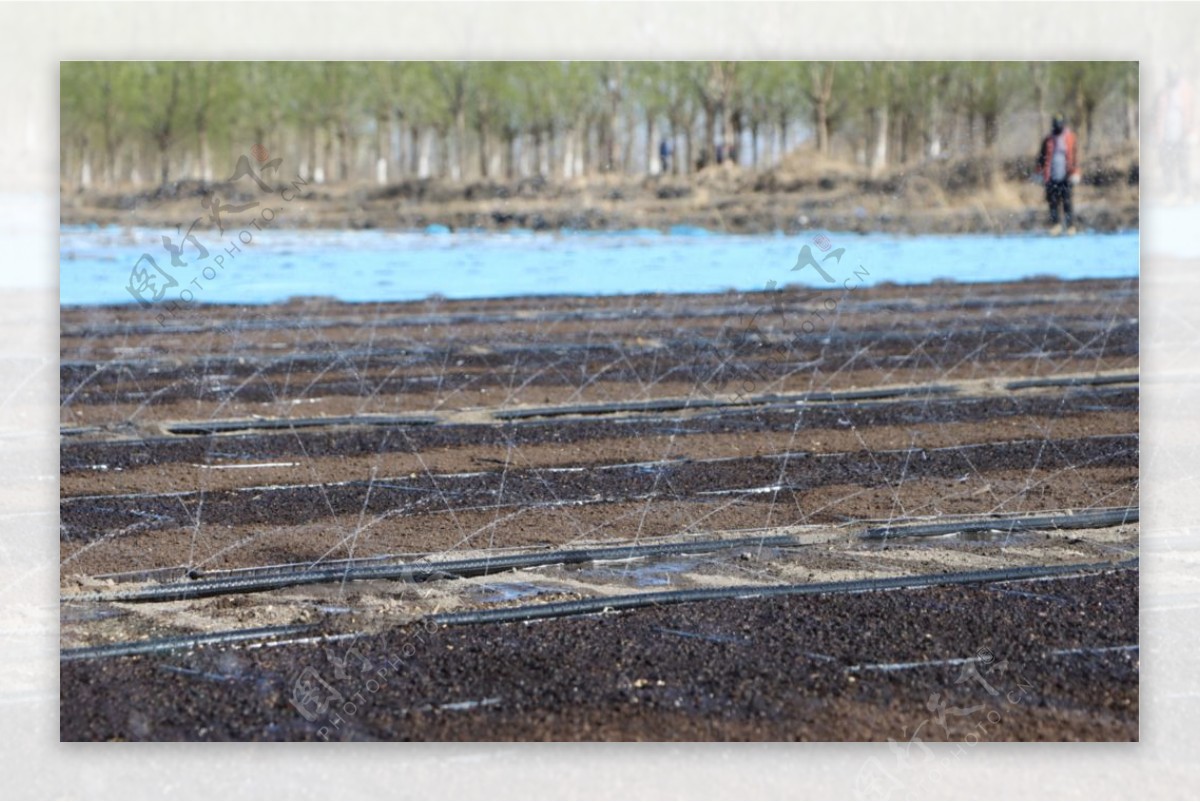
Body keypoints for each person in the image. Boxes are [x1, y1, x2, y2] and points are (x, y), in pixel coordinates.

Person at [1036, 113, 1081, 235]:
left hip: (1066, 176)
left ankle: (1070, 226)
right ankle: (1055, 225)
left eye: (1060, 124)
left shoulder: (1070, 138)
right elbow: (1041, 157)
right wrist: (1039, 173)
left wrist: (1076, 172)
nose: (1058, 126)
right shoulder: (1048, 140)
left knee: (1067, 202)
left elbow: (1075, 156)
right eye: (1056, 124)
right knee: (1053, 202)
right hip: (1050, 177)